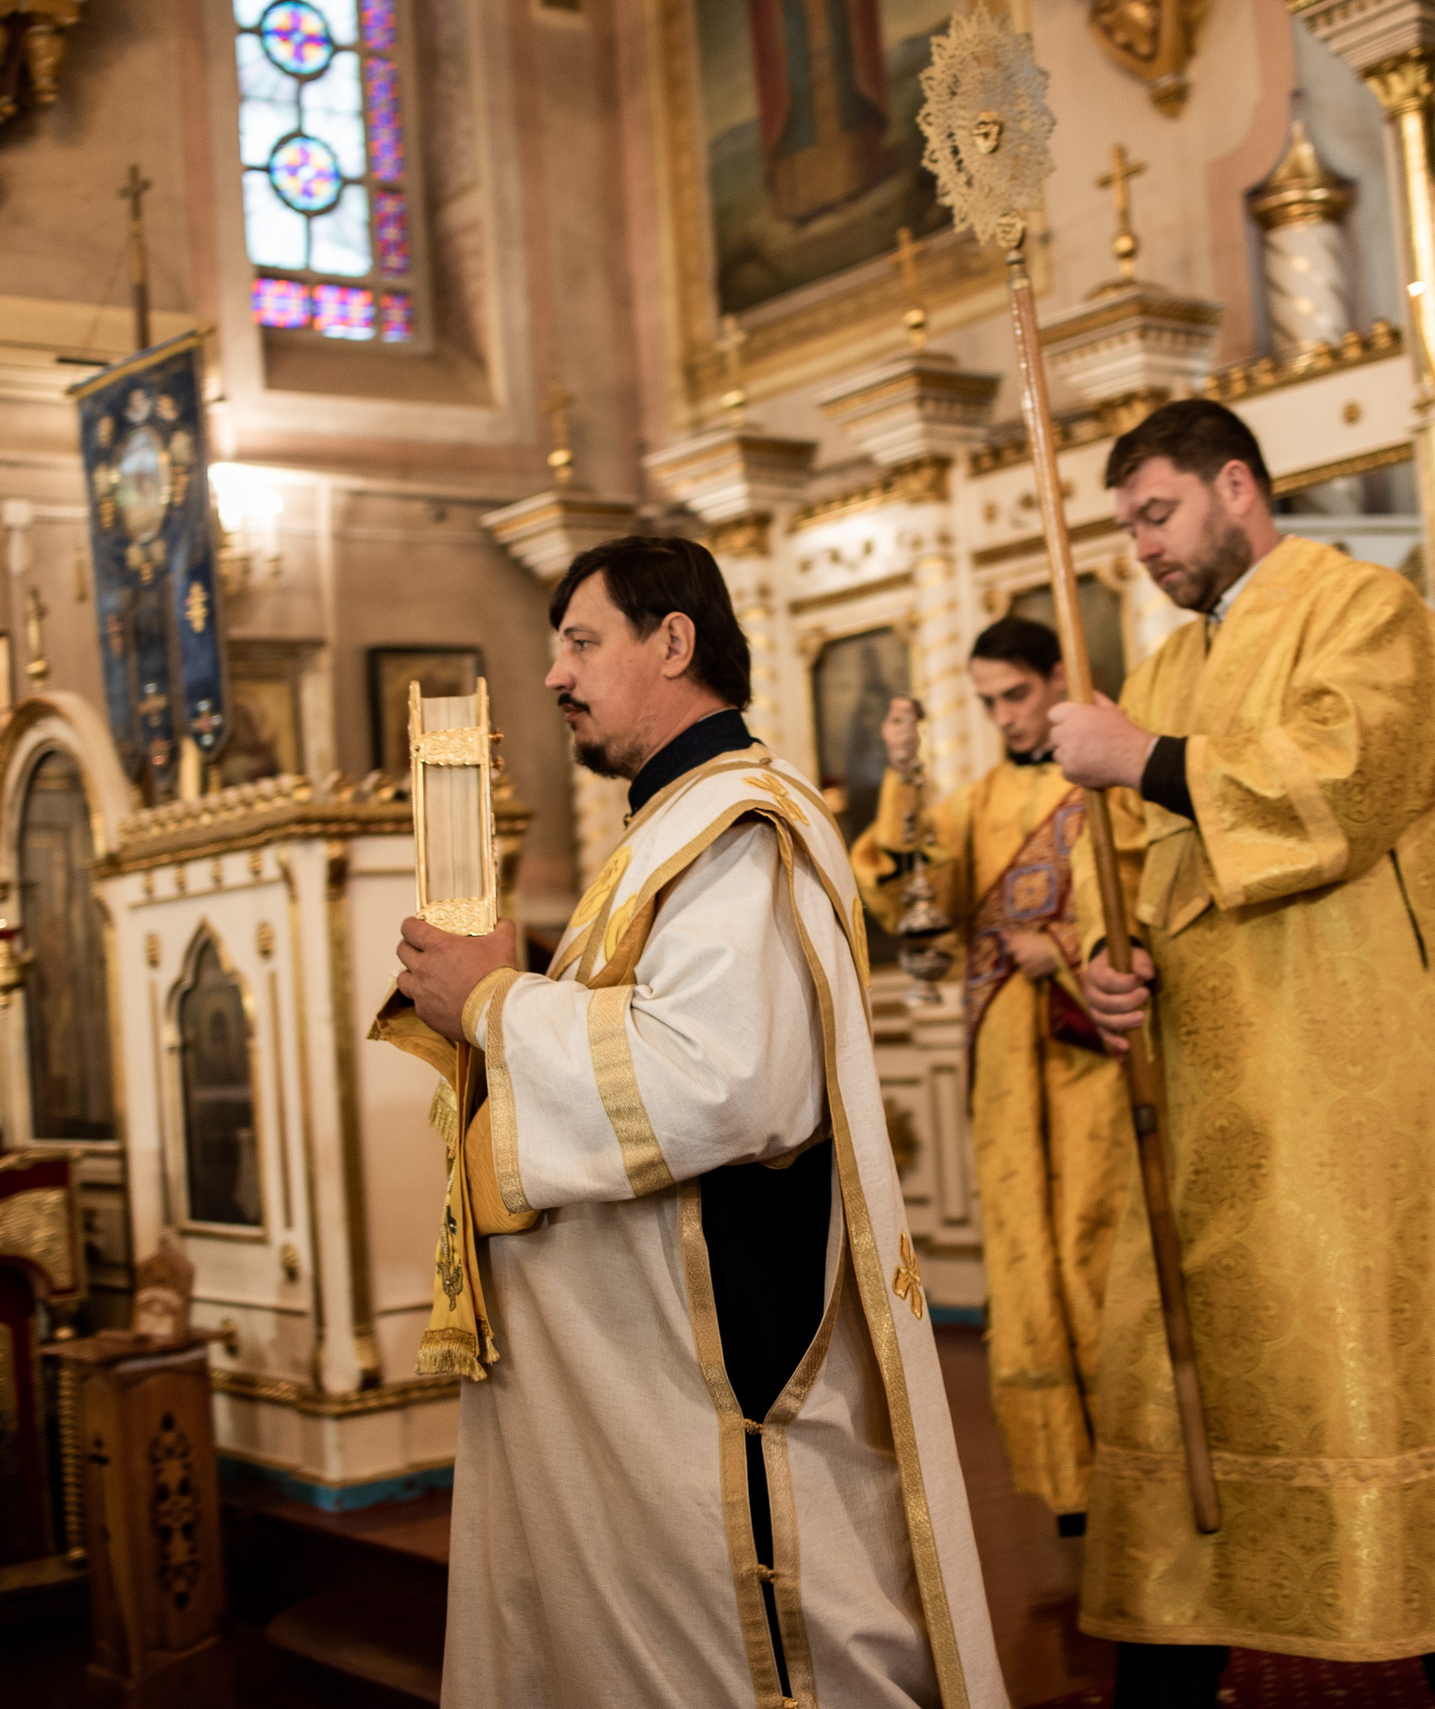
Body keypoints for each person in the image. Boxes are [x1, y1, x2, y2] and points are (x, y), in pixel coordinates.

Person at [381, 536, 1007, 1708]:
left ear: (674, 641)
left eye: (581, 641)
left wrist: (494, 1002)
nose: (557, 675)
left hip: (716, 1371)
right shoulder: (670, 826)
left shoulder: (734, 826)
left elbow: (728, 1082)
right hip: (645, 1366)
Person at [1047, 400, 1435, 1708]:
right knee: (1187, 1419)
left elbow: (1343, 774)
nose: (1144, 549)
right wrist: (1097, 970)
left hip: (1356, 1089)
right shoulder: (1169, 665)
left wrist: (1141, 755)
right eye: (1125, 529)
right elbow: (1110, 878)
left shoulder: (1367, 608)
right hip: (1203, 1112)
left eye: (1158, 513)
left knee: (1399, 1377)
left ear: (1239, 486)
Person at [849, 615, 1131, 1533]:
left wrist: (1059, 944)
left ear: (1058, 677)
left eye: (1017, 694)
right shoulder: (969, 804)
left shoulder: (1112, 785)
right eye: (988, 702)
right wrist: (903, 771)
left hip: (1097, 1058)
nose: (1005, 715)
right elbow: (906, 887)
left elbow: (1151, 901)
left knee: (1101, 1249)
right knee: (1026, 1258)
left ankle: (1139, 1458)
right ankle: (1070, 1478)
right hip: (1007, 1067)